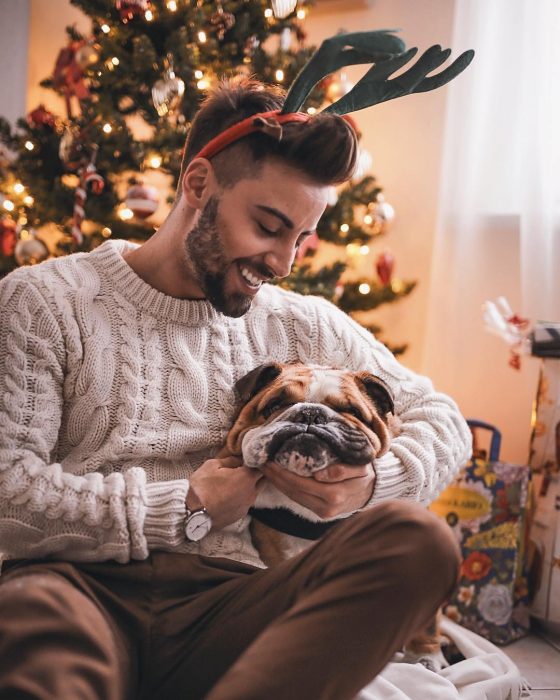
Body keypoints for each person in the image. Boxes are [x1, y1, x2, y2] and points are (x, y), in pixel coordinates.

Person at [0, 77, 471, 700]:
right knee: (34, 624)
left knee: (420, 544)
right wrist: (186, 505)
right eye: (269, 226)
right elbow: (8, 490)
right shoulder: (43, 301)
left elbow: (442, 418)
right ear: (199, 185)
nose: (283, 261)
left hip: (236, 601)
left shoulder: (300, 320)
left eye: (301, 238)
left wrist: (370, 483)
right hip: (78, 587)